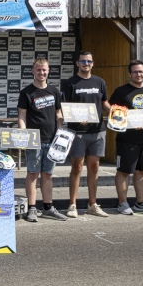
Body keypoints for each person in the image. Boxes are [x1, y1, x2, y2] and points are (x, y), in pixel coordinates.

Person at [61, 51, 110, 218]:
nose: (86, 64)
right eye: (83, 61)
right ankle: (72, 205)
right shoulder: (70, 83)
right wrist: (76, 118)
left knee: (94, 168)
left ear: (92, 63)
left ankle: (92, 204)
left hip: (98, 131)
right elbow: (64, 107)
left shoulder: (100, 81)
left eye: (89, 61)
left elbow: (104, 102)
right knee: (77, 167)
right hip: (78, 132)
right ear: (77, 63)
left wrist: (116, 113)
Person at [17, 58, 66, 222]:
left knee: (48, 174)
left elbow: (58, 113)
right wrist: (23, 136)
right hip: (34, 140)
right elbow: (22, 116)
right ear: (33, 71)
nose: (41, 73)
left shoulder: (54, 91)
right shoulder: (26, 92)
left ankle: (48, 208)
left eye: (44, 70)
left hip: (52, 140)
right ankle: (31, 208)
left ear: (48, 71)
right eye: (38, 70)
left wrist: (60, 132)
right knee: (32, 173)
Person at [109, 60, 143, 215]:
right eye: (136, 72)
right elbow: (112, 111)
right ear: (130, 74)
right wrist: (129, 121)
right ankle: (122, 203)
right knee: (124, 171)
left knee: (142, 171)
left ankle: (140, 202)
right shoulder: (121, 91)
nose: (139, 74)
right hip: (127, 139)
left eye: (141, 71)